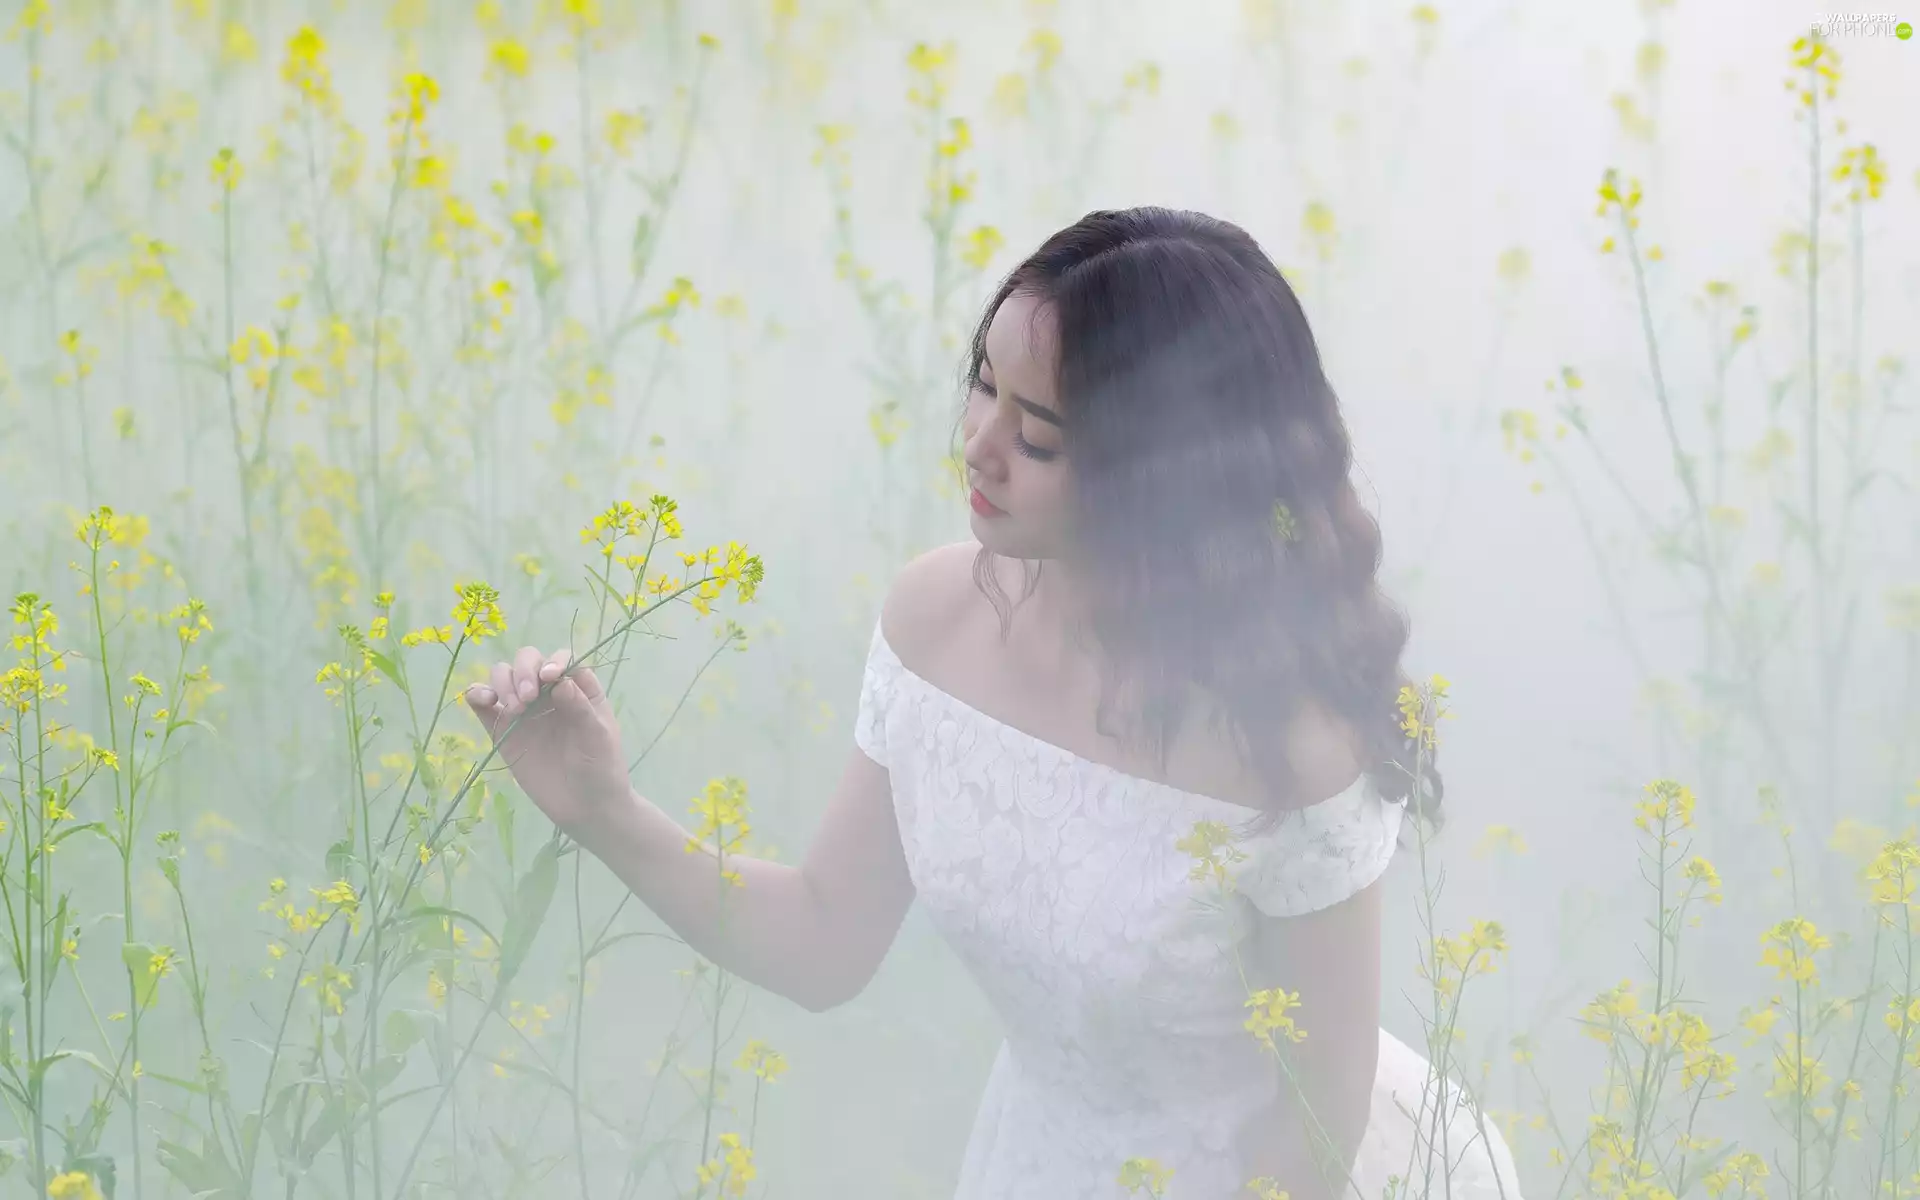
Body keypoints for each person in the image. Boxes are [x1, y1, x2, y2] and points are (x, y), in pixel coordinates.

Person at [463, 207, 1525, 1199]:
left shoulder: (1286, 744)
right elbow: (824, 939)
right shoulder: (935, 622)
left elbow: (1314, 1134)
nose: (978, 447)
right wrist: (606, 810)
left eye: (1041, 438)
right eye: (984, 388)